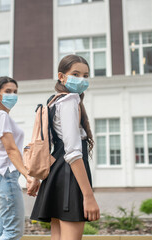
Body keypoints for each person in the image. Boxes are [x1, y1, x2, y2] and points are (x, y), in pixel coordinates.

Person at [30, 55, 100, 240]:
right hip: (70, 176)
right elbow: (73, 153)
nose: (82, 79)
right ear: (61, 76)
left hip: (57, 174)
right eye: (76, 74)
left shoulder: (53, 101)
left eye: (86, 75)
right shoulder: (69, 101)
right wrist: (89, 195)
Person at [0, 76, 39, 240]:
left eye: (15, 92)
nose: (12, 95)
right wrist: (28, 176)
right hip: (4, 178)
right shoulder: (1, 116)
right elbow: (11, 150)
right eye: (8, 91)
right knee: (13, 232)